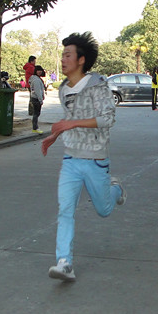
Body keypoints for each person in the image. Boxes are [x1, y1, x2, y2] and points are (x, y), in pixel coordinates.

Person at [41, 32, 125, 282]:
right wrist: (55, 134)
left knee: (104, 210)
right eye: (63, 55)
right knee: (65, 210)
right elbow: (70, 120)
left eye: (68, 55)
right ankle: (64, 263)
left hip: (95, 158)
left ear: (81, 60)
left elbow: (108, 119)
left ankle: (116, 188)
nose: (63, 59)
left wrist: (71, 124)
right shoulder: (63, 89)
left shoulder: (98, 86)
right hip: (70, 159)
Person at [29, 65, 46, 134]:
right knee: (36, 114)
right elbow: (37, 91)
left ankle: (35, 127)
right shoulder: (36, 80)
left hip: (35, 97)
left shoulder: (35, 78)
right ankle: (35, 128)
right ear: (35, 71)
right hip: (36, 98)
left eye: (40, 70)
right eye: (38, 70)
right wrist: (40, 99)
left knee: (36, 113)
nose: (39, 72)